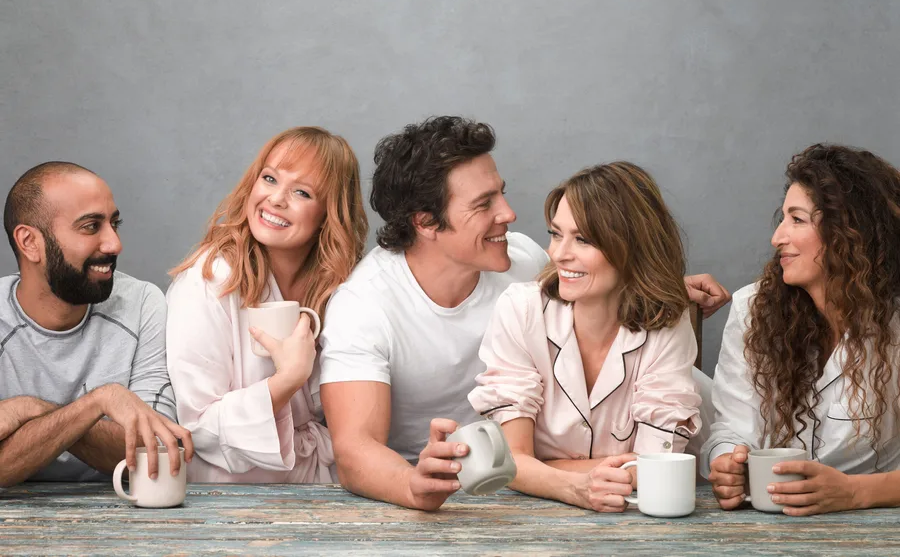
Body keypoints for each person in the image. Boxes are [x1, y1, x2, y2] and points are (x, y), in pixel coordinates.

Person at [319, 116, 730, 511]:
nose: (509, 214)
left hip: (535, 471)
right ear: (426, 222)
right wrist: (413, 486)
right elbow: (354, 451)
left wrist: (661, 287)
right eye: (484, 204)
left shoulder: (520, 258)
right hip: (446, 482)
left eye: (501, 193)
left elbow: (595, 276)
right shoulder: (364, 305)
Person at [469, 162, 702, 512]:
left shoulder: (668, 325)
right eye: (556, 234)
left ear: (632, 247)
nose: (559, 254)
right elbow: (510, 461)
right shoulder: (522, 310)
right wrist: (573, 485)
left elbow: (656, 469)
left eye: (583, 239)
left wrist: (543, 467)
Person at [703, 143, 900, 516]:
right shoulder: (752, 309)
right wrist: (728, 462)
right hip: (768, 525)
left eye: (797, 220)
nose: (777, 237)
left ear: (849, 231)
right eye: (783, 218)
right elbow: (731, 427)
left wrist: (855, 493)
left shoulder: (895, 324)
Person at [165, 127, 367, 482]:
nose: (276, 199)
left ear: (328, 213)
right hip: (229, 495)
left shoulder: (341, 288)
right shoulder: (210, 280)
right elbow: (198, 428)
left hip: (321, 485)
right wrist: (287, 380)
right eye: (270, 178)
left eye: (302, 192)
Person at [0, 162, 192, 489]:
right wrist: (93, 407)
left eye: (114, 224)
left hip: (120, 511)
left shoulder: (141, 304)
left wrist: (35, 411)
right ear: (29, 242)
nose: (114, 244)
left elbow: (157, 454)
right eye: (90, 227)